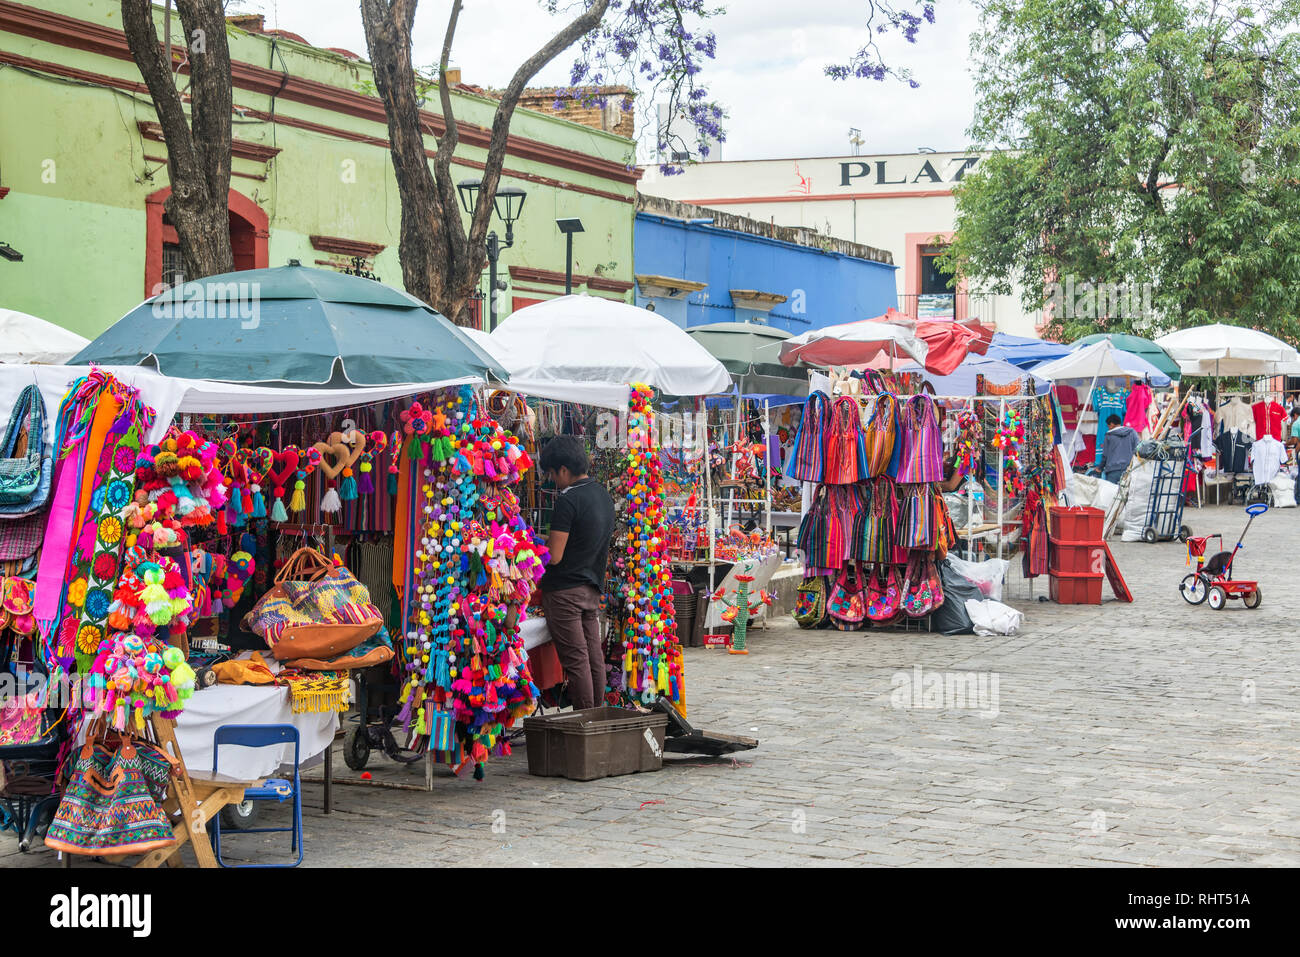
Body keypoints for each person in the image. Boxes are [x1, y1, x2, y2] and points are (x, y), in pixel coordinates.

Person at [537, 436, 615, 712]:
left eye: (551, 473)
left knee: (576, 660)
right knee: (593, 656)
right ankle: (597, 713)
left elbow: (554, 556)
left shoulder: (567, 501)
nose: (552, 480)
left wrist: (533, 549)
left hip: (564, 592)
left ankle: (586, 720)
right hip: (591, 590)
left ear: (563, 469)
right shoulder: (602, 496)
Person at [1094, 414, 1139, 484]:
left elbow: (1105, 455)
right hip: (1129, 469)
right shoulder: (1132, 432)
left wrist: (1100, 468)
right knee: (1127, 493)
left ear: (1111, 424)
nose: (1108, 428)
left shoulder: (1109, 436)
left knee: (1111, 493)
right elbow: (1138, 449)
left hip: (1113, 470)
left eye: (1108, 426)